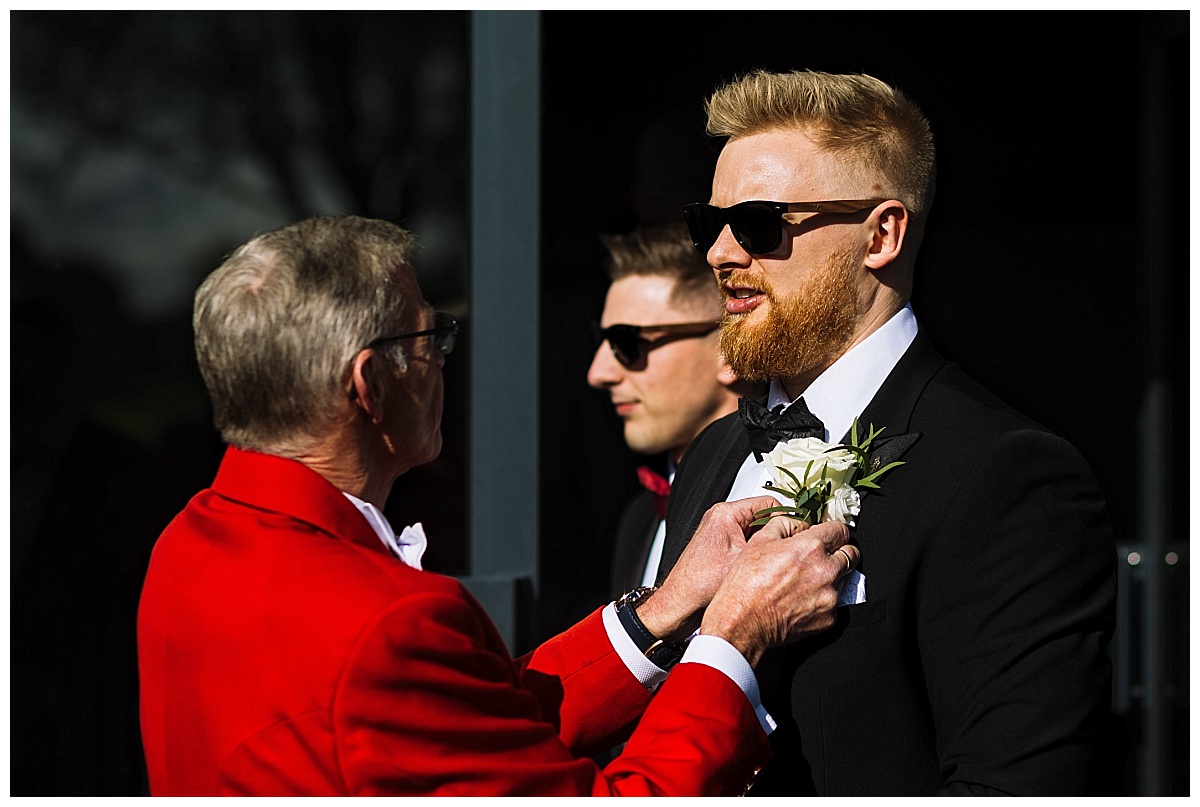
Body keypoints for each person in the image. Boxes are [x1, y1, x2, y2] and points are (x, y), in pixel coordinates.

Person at [136, 214, 861, 796]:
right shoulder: (386, 626)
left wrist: (660, 611)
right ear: (370, 386)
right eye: (430, 335)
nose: (446, 358)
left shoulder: (188, 544)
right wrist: (732, 641)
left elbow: (471, 733)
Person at [658, 70, 1116, 796]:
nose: (719, 253)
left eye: (758, 223)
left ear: (882, 234)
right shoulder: (717, 449)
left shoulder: (1006, 477)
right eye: (706, 223)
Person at [587, 224, 763, 593]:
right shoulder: (639, 520)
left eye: (627, 343)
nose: (598, 373)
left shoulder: (780, 501)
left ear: (728, 347)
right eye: (601, 340)